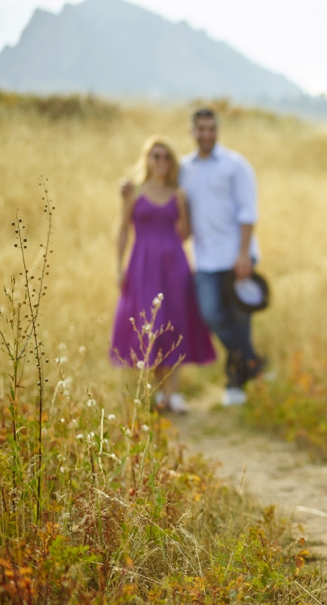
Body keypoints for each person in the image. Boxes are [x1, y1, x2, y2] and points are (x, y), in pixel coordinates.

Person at [111, 136, 216, 412]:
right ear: (147, 159)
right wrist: (118, 266)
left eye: (166, 157)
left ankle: (175, 393)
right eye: (156, 156)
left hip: (173, 266)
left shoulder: (178, 194)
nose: (161, 161)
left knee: (174, 323)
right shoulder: (133, 192)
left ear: (172, 163)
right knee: (151, 327)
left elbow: (187, 232)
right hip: (142, 265)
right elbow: (123, 230)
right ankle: (158, 392)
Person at [181, 107, 262, 406]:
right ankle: (256, 364)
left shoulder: (235, 165)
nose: (206, 134)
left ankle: (235, 385)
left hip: (237, 256)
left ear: (217, 130)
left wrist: (243, 254)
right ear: (191, 131)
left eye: (211, 128)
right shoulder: (184, 169)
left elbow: (248, 212)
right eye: (200, 129)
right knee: (212, 315)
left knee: (240, 322)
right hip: (204, 259)